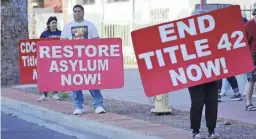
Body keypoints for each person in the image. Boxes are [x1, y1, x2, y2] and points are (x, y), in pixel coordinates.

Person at [60, 4, 106, 115]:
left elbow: (96, 41)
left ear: (83, 12)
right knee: (75, 83)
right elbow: (62, 43)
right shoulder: (67, 27)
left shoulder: (90, 25)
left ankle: (98, 105)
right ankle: (78, 107)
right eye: (75, 11)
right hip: (73, 60)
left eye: (79, 11)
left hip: (88, 60)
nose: (77, 13)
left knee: (92, 81)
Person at [188, 9, 219, 139]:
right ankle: (195, 130)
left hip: (212, 72)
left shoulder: (213, 35)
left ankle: (211, 130)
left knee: (212, 102)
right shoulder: (186, 37)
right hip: (194, 74)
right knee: (197, 102)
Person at [38, 16, 61, 102]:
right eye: (53, 23)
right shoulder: (44, 34)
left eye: (55, 22)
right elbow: (39, 45)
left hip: (57, 58)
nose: (54, 24)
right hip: (47, 59)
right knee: (46, 76)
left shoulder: (60, 33)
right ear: (49, 24)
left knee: (56, 75)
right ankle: (45, 94)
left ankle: (55, 93)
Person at [243, 2, 256, 111]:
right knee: (251, 79)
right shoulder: (248, 26)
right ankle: (248, 103)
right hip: (253, 55)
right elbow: (243, 43)